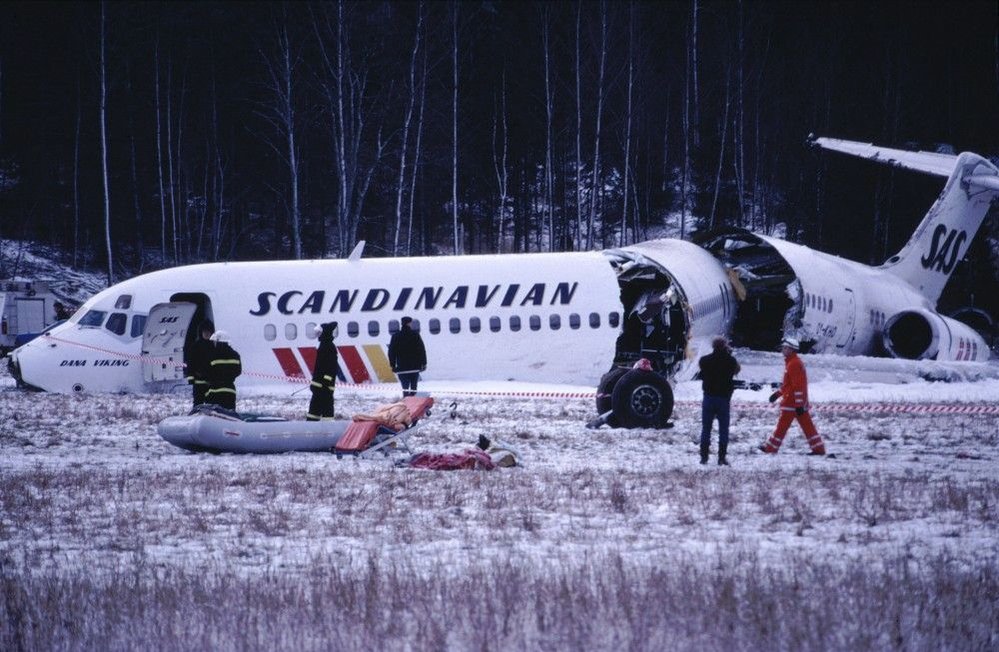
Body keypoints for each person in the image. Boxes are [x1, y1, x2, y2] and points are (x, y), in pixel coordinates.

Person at [760, 337, 826, 455]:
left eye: (785, 348)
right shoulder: (792, 362)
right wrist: (777, 394)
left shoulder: (793, 364)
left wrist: (799, 404)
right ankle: (818, 448)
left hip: (792, 403)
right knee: (807, 427)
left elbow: (798, 386)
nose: (783, 350)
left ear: (791, 350)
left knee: (782, 426)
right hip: (796, 403)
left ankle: (771, 448)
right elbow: (789, 385)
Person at [698, 336, 741, 465]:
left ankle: (704, 457)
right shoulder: (731, 361)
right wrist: (728, 354)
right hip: (723, 399)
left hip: (709, 397)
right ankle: (721, 457)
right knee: (723, 429)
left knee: (706, 429)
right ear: (725, 346)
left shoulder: (704, 360)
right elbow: (737, 370)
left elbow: (702, 369)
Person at [307, 322, 340, 421]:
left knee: (326, 407)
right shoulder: (324, 345)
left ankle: (326, 428)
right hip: (319, 385)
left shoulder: (328, 346)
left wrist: (325, 382)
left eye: (319, 332)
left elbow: (331, 367)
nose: (318, 335)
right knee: (316, 408)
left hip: (324, 385)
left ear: (324, 333)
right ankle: (312, 425)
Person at [388, 316, 427, 397]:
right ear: (409, 323)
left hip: (402, 368)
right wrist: (424, 363)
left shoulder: (395, 336)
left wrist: (393, 365)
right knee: (413, 389)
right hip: (414, 368)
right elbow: (421, 350)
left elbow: (391, 352)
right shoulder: (415, 335)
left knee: (405, 389)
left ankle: (406, 404)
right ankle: (413, 404)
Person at [205, 330, 241, 411]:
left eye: (215, 342)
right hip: (230, 391)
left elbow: (207, 373)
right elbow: (238, 371)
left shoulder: (213, 355)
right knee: (229, 415)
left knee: (215, 416)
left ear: (219, 342)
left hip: (215, 391)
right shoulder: (235, 355)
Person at [184, 319, 215, 410]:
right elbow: (190, 363)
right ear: (201, 332)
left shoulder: (215, 346)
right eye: (204, 332)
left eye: (208, 332)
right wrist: (191, 378)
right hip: (198, 383)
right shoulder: (195, 346)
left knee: (211, 404)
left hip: (211, 383)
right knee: (198, 404)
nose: (206, 334)